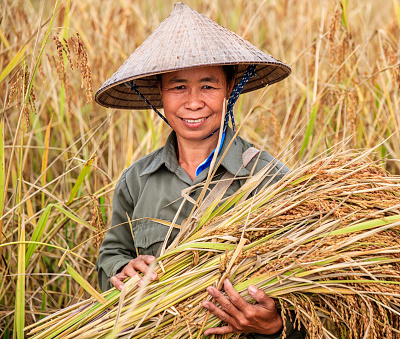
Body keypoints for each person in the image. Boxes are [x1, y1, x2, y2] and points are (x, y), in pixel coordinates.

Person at [95, 3, 304, 338]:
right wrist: (122, 269)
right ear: (160, 92)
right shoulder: (137, 181)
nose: (193, 102)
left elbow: (305, 282)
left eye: (208, 86)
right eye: (179, 87)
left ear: (230, 89)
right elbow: (112, 255)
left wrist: (277, 326)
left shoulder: (269, 178)